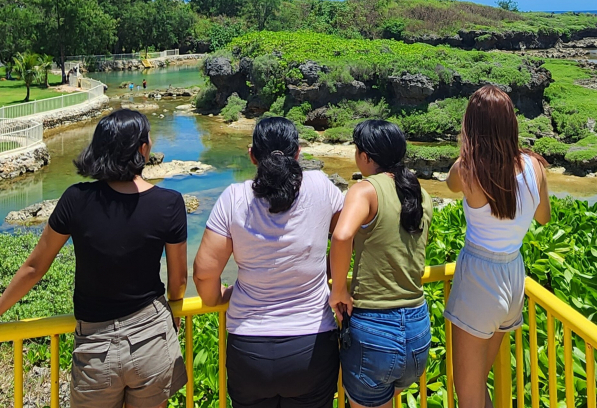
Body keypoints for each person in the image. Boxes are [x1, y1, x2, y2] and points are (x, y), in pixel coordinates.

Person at [0, 109, 188, 408]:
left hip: (97, 346)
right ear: (142, 149)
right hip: (152, 338)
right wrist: (173, 307)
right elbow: (179, 280)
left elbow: (34, 268)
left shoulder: (76, 199)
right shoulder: (169, 203)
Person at [193, 117, 345, 408]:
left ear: (251, 155)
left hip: (249, 348)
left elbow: (203, 273)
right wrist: (328, 271)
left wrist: (216, 298)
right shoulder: (320, 186)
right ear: (298, 153)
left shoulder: (234, 197)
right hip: (311, 346)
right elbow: (345, 236)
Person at [444, 85, 551, 408]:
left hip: (479, 280)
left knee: (468, 391)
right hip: (513, 276)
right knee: (479, 385)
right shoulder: (535, 167)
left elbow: (449, 184)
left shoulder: (468, 169)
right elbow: (543, 217)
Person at [330, 120, 434, 408]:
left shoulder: (365, 189)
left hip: (375, 330)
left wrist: (338, 290)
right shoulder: (421, 194)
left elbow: (341, 236)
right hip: (417, 327)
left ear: (366, 157)